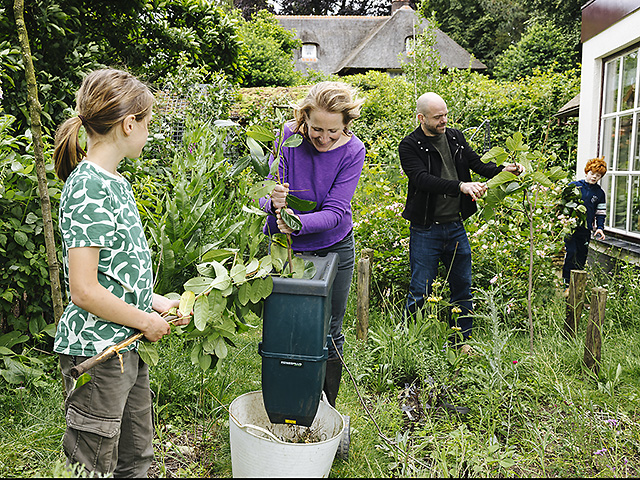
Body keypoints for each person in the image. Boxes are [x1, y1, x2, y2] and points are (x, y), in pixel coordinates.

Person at [53, 68, 190, 477]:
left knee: (136, 458)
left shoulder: (116, 183)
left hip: (127, 346)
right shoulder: (88, 188)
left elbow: (118, 276)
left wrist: (158, 303)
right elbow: (84, 290)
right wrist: (145, 320)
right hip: (98, 354)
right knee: (92, 464)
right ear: (129, 124)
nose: (148, 131)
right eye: (147, 122)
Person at [259, 81, 366, 408]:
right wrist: (272, 202)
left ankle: (323, 406)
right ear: (304, 119)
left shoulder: (353, 151)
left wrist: (294, 222)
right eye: (316, 129)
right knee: (286, 325)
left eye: (333, 131)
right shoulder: (287, 140)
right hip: (288, 248)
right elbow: (266, 194)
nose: (324, 137)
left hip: (334, 247)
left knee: (330, 328)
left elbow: (336, 212)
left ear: (346, 123)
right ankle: (286, 398)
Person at [399, 92, 523, 346]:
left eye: (445, 114)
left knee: (462, 287)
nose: (444, 120)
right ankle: (410, 342)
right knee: (419, 290)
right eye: (438, 117)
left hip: (455, 226)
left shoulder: (455, 136)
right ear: (421, 118)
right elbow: (422, 179)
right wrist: (461, 186)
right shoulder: (410, 145)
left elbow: (477, 164)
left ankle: (462, 342)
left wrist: (503, 170)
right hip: (426, 229)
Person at [562, 156, 607, 287]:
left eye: (597, 175)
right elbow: (563, 205)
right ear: (587, 172)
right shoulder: (574, 186)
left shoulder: (599, 193)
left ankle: (577, 285)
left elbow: (600, 213)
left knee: (582, 255)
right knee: (571, 253)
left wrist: (600, 227)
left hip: (586, 229)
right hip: (571, 227)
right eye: (592, 174)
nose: (594, 177)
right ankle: (565, 283)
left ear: (600, 177)